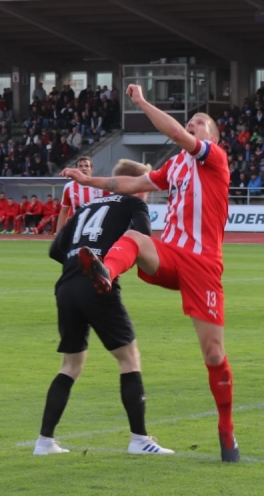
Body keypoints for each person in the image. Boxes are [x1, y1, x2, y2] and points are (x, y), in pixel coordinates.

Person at [60, 83, 238, 463]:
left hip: (204, 265)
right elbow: (134, 184)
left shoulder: (215, 159)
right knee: (136, 238)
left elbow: (173, 133)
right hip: (171, 255)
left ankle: (226, 428)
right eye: (190, 120)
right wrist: (91, 182)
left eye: (200, 122)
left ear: (213, 136)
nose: (192, 125)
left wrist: (141, 102)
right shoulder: (174, 166)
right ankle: (105, 270)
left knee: (213, 354)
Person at [34, 159, 173, 457]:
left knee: (71, 365)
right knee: (129, 359)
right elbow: (143, 240)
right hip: (98, 284)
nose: (147, 193)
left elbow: (54, 250)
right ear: (134, 184)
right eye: (145, 187)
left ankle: (44, 442)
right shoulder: (134, 205)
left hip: (66, 286)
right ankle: (139, 439)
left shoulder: (85, 208)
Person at [55, 157, 106, 234]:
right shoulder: (69, 187)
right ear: (76, 170)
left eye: (86, 166)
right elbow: (64, 212)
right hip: (77, 230)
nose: (84, 169)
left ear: (91, 169)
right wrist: (59, 234)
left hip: (96, 230)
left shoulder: (101, 186)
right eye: (80, 166)